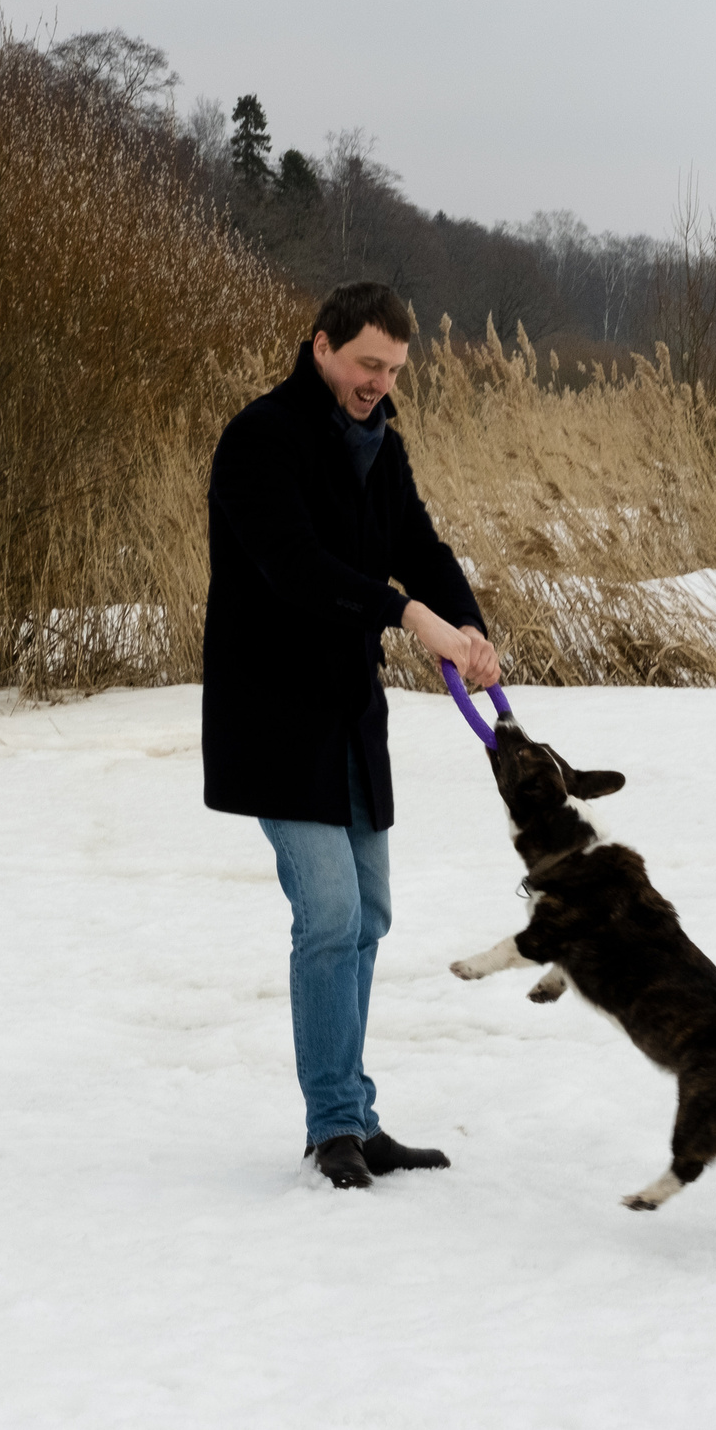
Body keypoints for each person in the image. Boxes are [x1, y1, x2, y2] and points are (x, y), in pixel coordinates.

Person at [202, 281, 502, 1189]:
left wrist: (467, 623)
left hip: (347, 714)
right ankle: (333, 1120)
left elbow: (422, 545)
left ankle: (359, 1117)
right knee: (328, 913)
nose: (379, 382)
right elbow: (297, 569)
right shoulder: (263, 439)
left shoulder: (384, 447)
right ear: (323, 345)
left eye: (394, 369)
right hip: (272, 717)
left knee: (369, 913)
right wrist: (410, 617)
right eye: (368, 363)